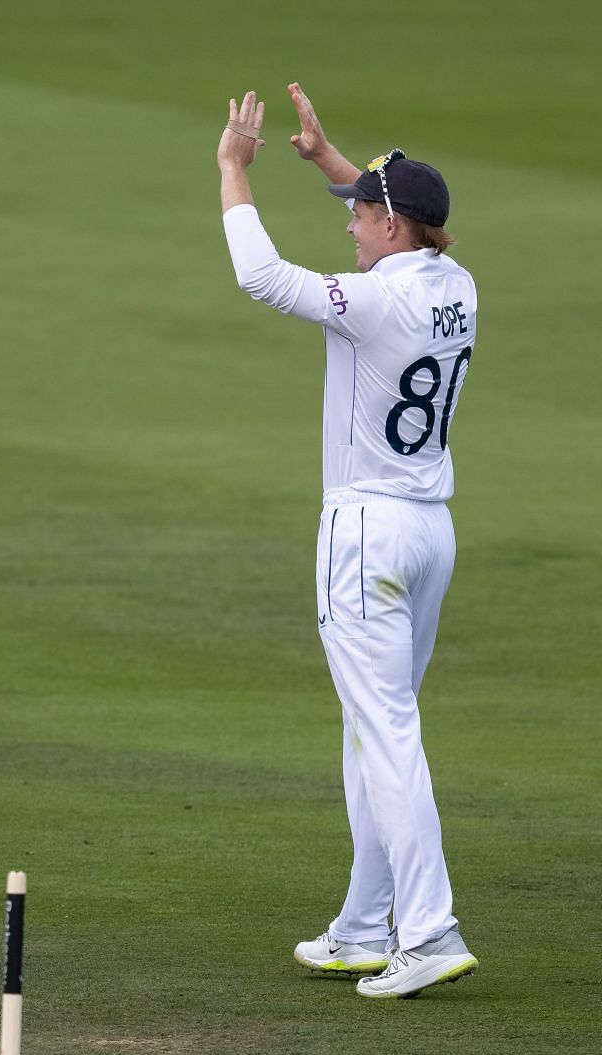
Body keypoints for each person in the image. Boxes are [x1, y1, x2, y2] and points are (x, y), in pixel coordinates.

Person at [217, 86, 478, 998]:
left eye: (361, 213)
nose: (349, 226)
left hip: (365, 532)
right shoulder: (456, 285)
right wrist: (336, 166)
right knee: (373, 733)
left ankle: (431, 928)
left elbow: (261, 276)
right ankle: (366, 924)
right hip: (430, 531)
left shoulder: (370, 303)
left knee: (387, 737)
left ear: (392, 227)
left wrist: (233, 174)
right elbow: (401, 218)